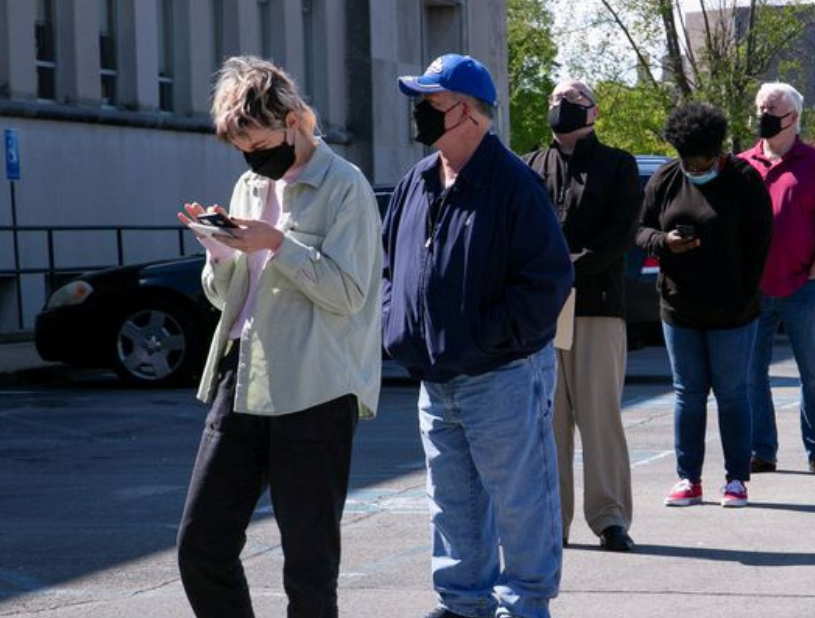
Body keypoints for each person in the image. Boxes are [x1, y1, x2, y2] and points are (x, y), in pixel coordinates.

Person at [175, 56, 383, 618]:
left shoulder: (345, 187)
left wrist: (276, 244)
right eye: (241, 146)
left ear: (293, 119)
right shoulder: (248, 184)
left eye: (258, 140)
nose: (251, 157)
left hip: (316, 389)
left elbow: (348, 294)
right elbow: (227, 298)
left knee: (309, 565)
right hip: (241, 376)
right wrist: (219, 252)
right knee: (201, 546)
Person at [383, 54, 573, 618]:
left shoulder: (514, 184)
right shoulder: (417, 182)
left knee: (521, 501)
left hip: (502, 375)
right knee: (452, 501)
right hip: (436, 378)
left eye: (430, 103)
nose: (419, 113)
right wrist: (400, 328)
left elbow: (547, 284)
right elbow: (392, 269)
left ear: (465, 112)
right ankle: (464, 602)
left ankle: (527, 604)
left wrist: (481, 339)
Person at [522, 79, 639, 552]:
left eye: (569, 100)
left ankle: (610, 518)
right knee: (548, 423)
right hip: (543, 314)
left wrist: (570, 266)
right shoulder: (529, 165)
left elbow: (622, 233)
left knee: (600, 417)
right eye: (553, 98)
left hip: (597, 306)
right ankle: (554, 520)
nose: (558, 105)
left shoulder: (618, 165)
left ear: (592, 112)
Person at [638, 102, 773, 508]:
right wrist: (665, 243)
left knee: (732, 394)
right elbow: (640, 230)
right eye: (688, 163)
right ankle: (688, 479)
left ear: (718, 153)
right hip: (679, 309)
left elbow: (759, 245)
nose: (695, 170)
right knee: (688, 394)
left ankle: (736, 480)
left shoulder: (745, 181)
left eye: (702, 163)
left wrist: (743, 294)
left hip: (733, 311)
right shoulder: (665, 178)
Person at [739, 83, 815, 476]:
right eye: (760, 107)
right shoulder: (742, 164)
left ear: (794, 118)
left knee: (814, 371)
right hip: (753, 290)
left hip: (802, 286)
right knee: (752, 374)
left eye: (772, 108)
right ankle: (761, 450)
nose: (763, 114)